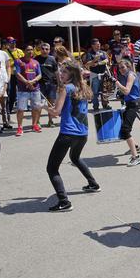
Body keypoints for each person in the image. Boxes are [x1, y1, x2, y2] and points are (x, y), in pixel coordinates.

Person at [45, 61, 100, 212]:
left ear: (72, 74)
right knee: (75, 158)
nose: (60, 74)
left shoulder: (65, 88)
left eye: (64, 72)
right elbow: (66, 110)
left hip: (68, 133)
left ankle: (64, 201)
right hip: (82, 133)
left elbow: (56, 112)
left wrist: (44, 107)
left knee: (52, 168)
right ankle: (93, 184)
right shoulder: (82, 87)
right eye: (61, 72)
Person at [110, 59, 140, 167]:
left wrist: (117, 84)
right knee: (123, 128)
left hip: (134, 104)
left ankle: (136, 157)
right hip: (129, 103)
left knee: (125, 130)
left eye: (123, 67)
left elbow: (127, 90)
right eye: (119, 68)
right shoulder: (124, 76)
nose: (121, 70)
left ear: (128, 67)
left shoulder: (131, 75)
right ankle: (136, 147)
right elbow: (125, 92)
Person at [14, 45, 44, 136]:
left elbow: (39, 75)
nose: (30, 51)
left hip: (35, 89)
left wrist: (33, 81)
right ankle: (19, 127)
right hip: (23, 90)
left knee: (36, 108)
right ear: (24, 51)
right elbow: (17, 74)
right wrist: (27, 82)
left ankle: (34, 124)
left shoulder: (36, 62)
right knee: (20, 109)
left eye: (31, 50)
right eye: (28, 50)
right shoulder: (18, 61)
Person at [82, 38, 110, 112]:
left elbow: (106, 60)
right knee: (95, 91)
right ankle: (96, 106)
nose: (99, 45)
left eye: (99, 44)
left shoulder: (102, 52)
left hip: (103, 73)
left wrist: (97, 63)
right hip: (95, 75)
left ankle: (105, 104)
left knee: (105, 90)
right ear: (93, 45)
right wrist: (94, 59)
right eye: (97, 44)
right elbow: (87, 64)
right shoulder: (89, 53)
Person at [35, 42, 59, 127]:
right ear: (40, 50)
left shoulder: (52, 59)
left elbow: (56, 72)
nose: (44, 51)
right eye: (43, 49)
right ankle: (37, 122)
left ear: (49, 50)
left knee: (50, 103)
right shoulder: (36, 59)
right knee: (40, 104)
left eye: (47, 49)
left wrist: (59, 83)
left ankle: (50, 121)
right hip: (40, 85)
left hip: (51, 84)